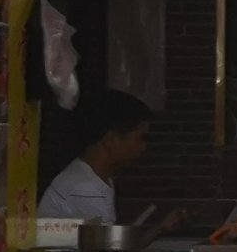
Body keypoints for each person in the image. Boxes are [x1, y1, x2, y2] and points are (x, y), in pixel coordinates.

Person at [39, 91, 153, 223]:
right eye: (140, 138)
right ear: (111, 140)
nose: (143, 147)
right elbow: (102, 237)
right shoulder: (84, 188)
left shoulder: (95, 179)